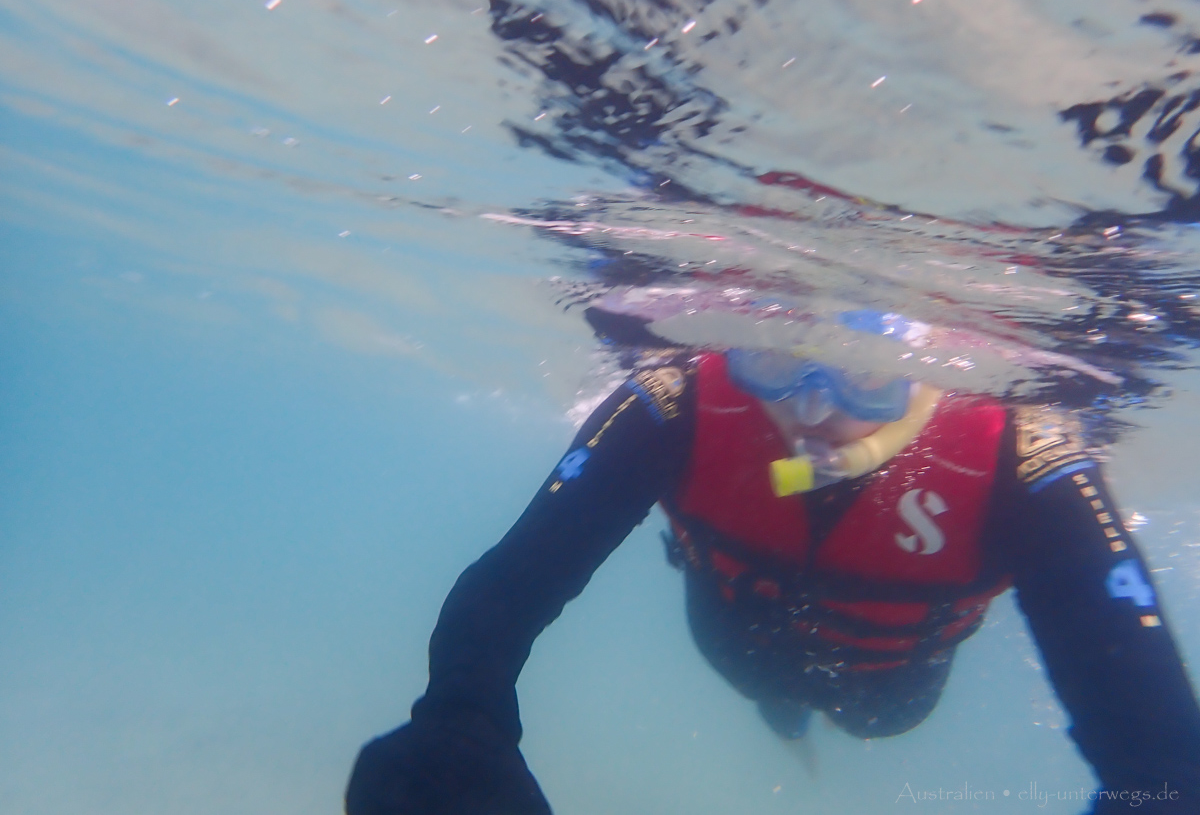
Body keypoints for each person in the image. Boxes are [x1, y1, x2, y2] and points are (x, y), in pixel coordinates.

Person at [344, 314, 1200, 815]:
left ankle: (797, 718)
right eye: (781, 356)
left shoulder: (1023, 463)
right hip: (735, 643)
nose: (815, 409)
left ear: (938, 370)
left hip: (893, 690)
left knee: (866, 721)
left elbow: (1155, 747)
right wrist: (458, 720)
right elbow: (514, 582)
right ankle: (785, 715)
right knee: (772, 695)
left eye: (871, 375)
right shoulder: (678, 404)